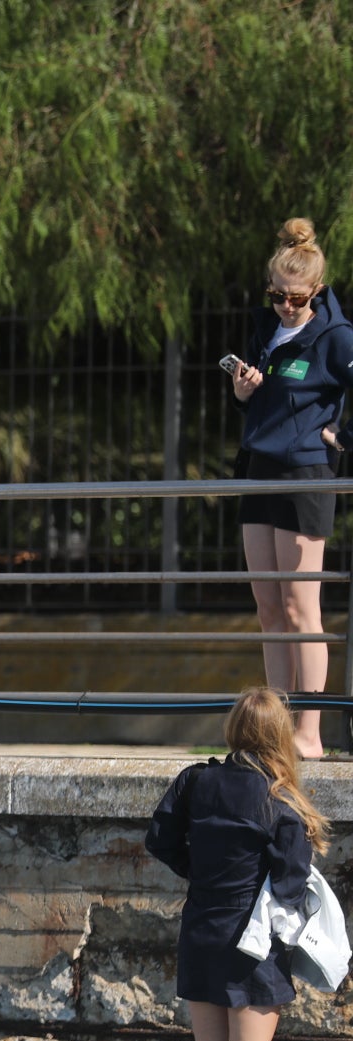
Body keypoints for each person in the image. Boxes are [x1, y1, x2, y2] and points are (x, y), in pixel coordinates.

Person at [145, 686, 323, 1041]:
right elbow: (290, 884)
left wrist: (200, 872)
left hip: (201, 933)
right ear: (280, 733)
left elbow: (160, 839)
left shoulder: (195, 781)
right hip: (252, 947)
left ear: (235, 728)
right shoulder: (280, 800)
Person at [229, 217, 353, 758]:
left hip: (305, 474)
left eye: (296, 298)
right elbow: (265, 404)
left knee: (302, 609)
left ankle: (310, 732)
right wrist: (243, 392)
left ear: (317, 291)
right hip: (259, 469)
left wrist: (343, 437)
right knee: (269, 607)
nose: (284, 305)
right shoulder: (266, 331)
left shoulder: (335, 336)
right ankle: (276, 728)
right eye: (276, 295)